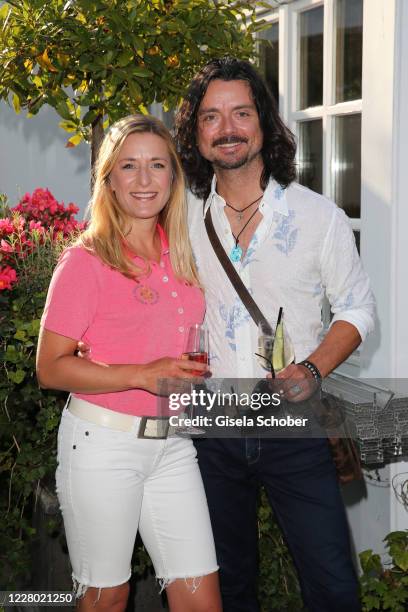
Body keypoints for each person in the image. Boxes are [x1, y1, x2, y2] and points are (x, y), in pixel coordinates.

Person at [174, 57, 375, 612]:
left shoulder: (319, 216)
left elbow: (358, 309)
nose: (228, 127)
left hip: (295, 425)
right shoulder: (185, 217)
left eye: (241, 112)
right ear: (196, 132)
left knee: (333, 585)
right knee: (226, 584)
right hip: (212, 428)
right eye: (211, 117)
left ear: (263, 121)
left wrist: (312, 369)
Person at [36, 114, 222, 612]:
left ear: (173, 177)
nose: (144, 180)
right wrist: (141, 375)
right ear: (109, 180)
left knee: (201, 600)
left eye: (157, 166)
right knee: (107, 597)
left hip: (173, 446)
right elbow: (50, 368)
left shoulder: (180, 253)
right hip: (103, 445)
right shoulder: (86, 260)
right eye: (130, 167)